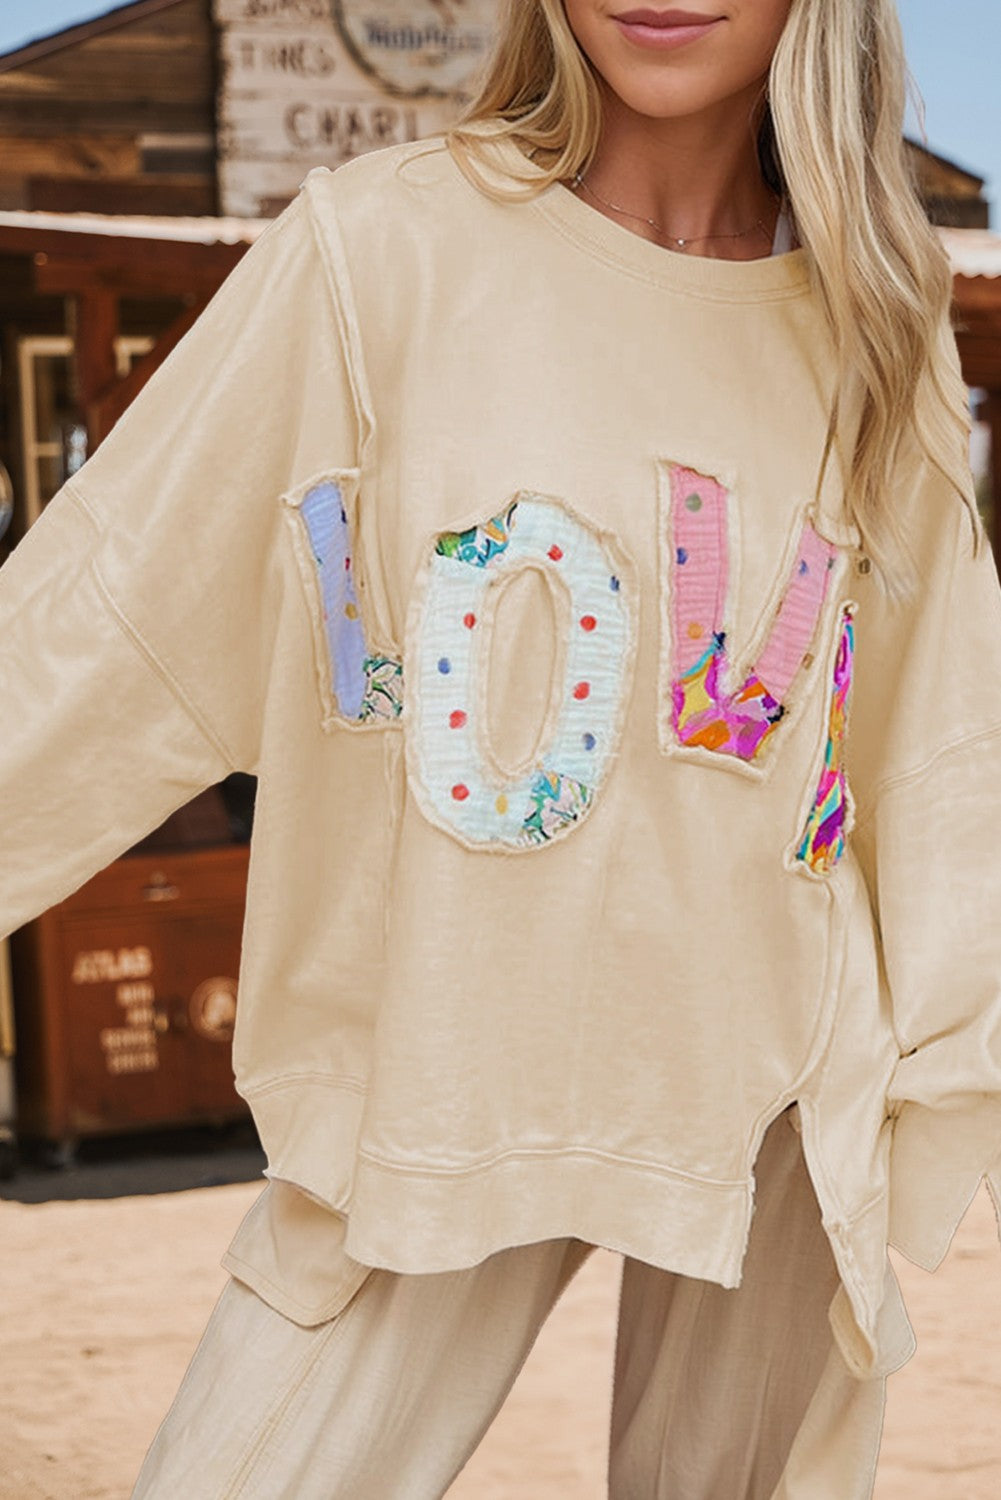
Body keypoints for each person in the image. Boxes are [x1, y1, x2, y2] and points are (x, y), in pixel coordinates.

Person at [2, 1, 1001, 1495]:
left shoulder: (877, 314)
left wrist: (950, 1052)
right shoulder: (382, 252)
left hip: (775, 1099)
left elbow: (934, 730)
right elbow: (108, 617)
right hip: (438, 1069)